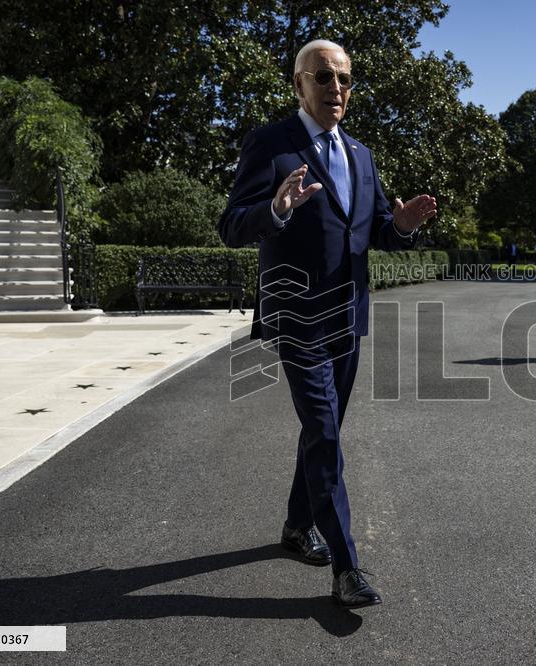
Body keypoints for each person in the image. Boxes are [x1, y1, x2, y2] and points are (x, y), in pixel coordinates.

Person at [218, 39, 437, 608]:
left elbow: (377, 230)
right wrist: (276, 209)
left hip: (347, 318)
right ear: (299, 85)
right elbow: (231, 224)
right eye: (323, 77)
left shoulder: (361, 154)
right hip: (297, 317)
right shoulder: (272, 144)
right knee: (327, 435)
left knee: (322, 431)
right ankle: (347, 566)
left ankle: (296, 527)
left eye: (344, 78)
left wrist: (404, 224)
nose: (336, 88)